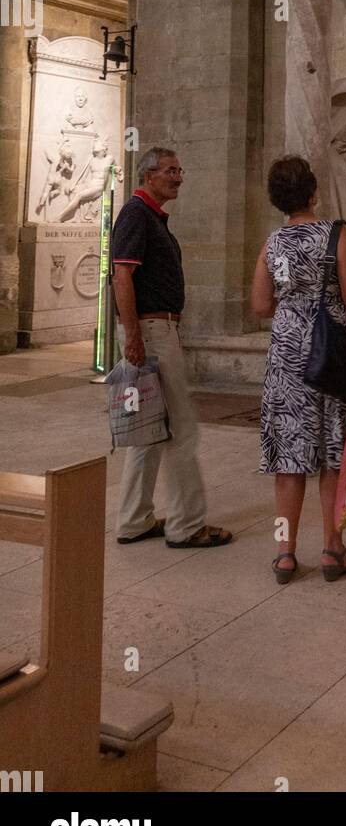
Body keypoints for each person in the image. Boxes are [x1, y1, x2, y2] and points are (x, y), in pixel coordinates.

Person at [252, 156, 346, 586]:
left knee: (288, 458)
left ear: (277, 200)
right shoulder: (335, 234)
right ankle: (331, 549)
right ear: (313, 192)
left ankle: (285, 555)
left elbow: (259, 305)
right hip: (333, 355)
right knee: (332, 453)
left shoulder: (272, 244)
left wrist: (292, 309)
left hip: (287, 358)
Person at [112, 147, 232, 549]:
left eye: (181, 169)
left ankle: (134, 520)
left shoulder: (152, 217)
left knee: (147, 432)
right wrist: (132, 335)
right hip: (150, 331)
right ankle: (186, 525)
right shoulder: (136, 214)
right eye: (170, 171)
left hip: (152, 330)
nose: (179, 177)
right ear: (148, 175)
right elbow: (121, 277)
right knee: (183, 431)